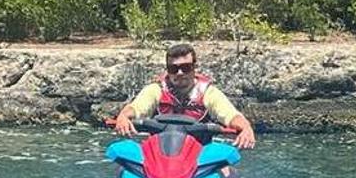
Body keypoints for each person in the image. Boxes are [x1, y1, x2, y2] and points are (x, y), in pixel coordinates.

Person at [110, 44, 258, 148]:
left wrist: (246, 128)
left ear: (194, 67)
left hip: (200, 152)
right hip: (160, 152)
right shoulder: (156, 89)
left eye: (185, 68)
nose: (180, 73)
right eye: (173, 69)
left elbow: (230, 115)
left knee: (225, 168)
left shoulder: (208, 92)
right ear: (167, 70)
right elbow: (137, 108)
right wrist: (123, 116)